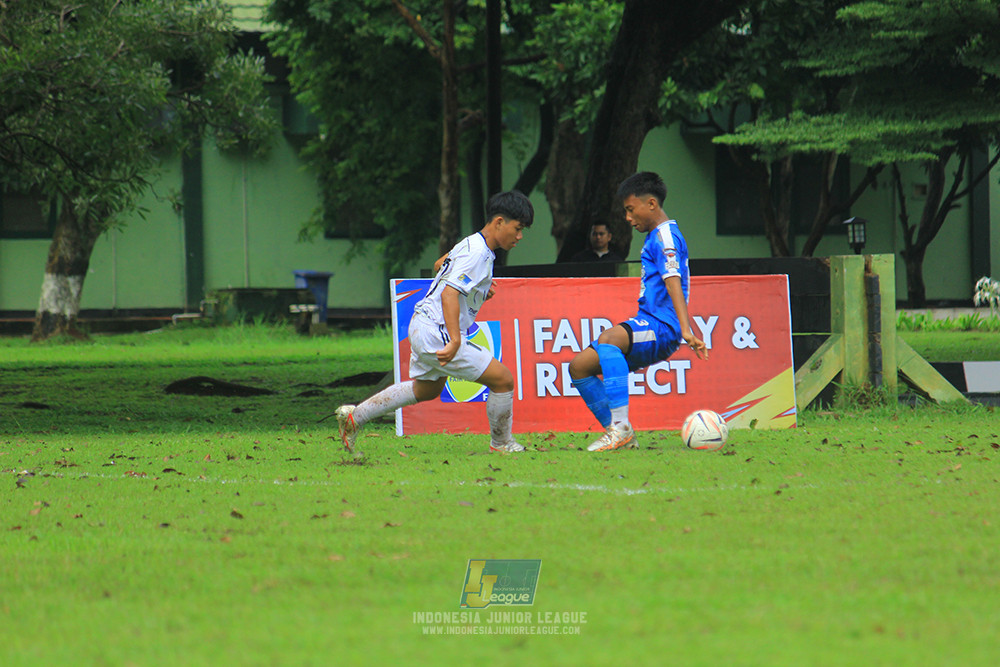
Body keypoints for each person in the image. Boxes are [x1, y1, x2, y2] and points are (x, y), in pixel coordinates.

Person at [336, 190, 534, 454]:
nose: (519, 236)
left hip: (421, 323)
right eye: (518, 228)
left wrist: (477, 291)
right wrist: (454, 339)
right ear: (499, 222)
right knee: (503, 380)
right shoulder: (477, 253)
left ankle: (354, 417)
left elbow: (439, 264)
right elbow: (450, 293)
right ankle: (502, 444)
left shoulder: (471, 243)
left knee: (427, 389)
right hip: (436, 331)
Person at [568, 172, 708, 452]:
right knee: (579, 367)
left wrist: (684, 329)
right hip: (650, 321)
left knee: (609, 340)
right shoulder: (657, 235)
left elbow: (672, 280)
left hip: (662, 327)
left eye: (631, 210)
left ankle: (620, 427)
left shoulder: (666, 237)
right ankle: (622, 435)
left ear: (652, 204)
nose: (628, 218)